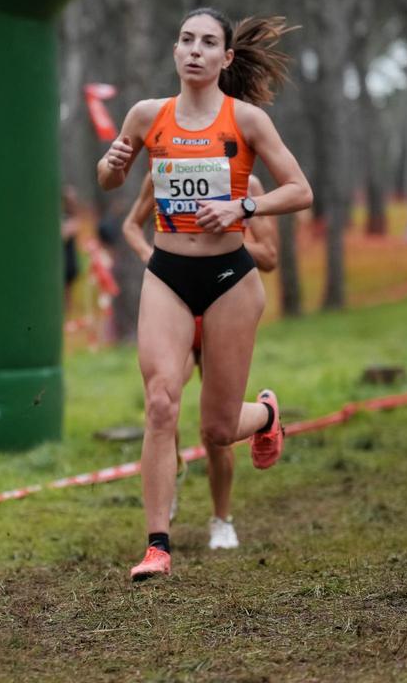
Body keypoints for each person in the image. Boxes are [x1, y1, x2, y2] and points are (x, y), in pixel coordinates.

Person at [97, 9, 312, 581]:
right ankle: (157, 547)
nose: (195, 50)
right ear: (175, 51)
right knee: (160, 403)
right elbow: (110, 181)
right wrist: (110, 165)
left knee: (217, 430)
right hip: (167, 274)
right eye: (186, 40)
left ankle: (266, 413)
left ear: (226, 57)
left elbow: (300, 190)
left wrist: (243, 206)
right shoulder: (147, 115)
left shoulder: (247, 121)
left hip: (229, 281)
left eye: (208, 42)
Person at [120, 171, 278, 550]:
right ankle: (169, 475)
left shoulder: (248, 184)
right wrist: (153, 255)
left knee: (216, 431)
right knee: (162, 402)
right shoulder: (166, 168)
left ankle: (221, 519)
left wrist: (223, 236)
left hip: (222, 308)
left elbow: (270, 256)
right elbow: (130, 225)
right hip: (175, 310)